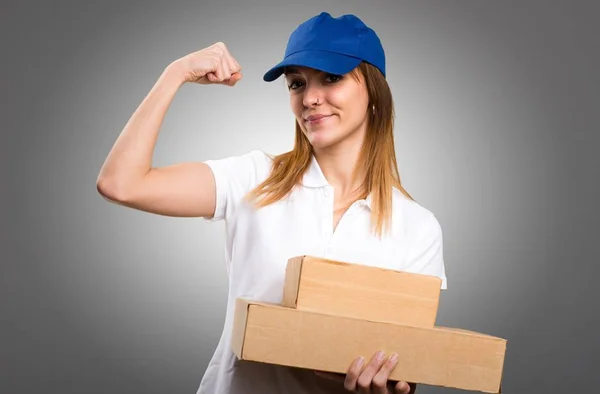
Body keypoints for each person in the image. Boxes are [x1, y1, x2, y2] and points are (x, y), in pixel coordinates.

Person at [97, 11, 447, 394]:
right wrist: (175, 73)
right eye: (297, 84)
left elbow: (406, 365)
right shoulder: (254, 180)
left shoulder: (417, 227)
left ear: (374, 91)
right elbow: (121, 183)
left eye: (332, 78)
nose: (310, 98)